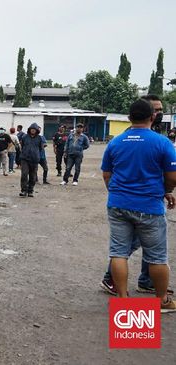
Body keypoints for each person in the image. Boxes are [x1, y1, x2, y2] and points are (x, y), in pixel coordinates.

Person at [102, 98, 176, 312]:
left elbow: (107, 174)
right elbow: (172, 176)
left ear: (129, 118)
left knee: (118, 253)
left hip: (117, 205)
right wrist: (166, 190)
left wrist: (117, 194)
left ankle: (123, 300)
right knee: (157, 257)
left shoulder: (115, 142)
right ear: (152, 116)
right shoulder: (162, 142)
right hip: (149, 207)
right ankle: (162, 300)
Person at [19, 123, 43, 197]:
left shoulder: (39, 138)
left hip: (34, 160)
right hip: (25, 159)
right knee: (24, 174)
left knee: (33, 177)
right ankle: (23, 190)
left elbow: (41, 148)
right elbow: (22, 146)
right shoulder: (24, 137)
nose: (33, 130)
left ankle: (30, 191)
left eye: (34, 129)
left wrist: (37, 156)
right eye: (31, 129)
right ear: (29, 129)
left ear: (36, 130)